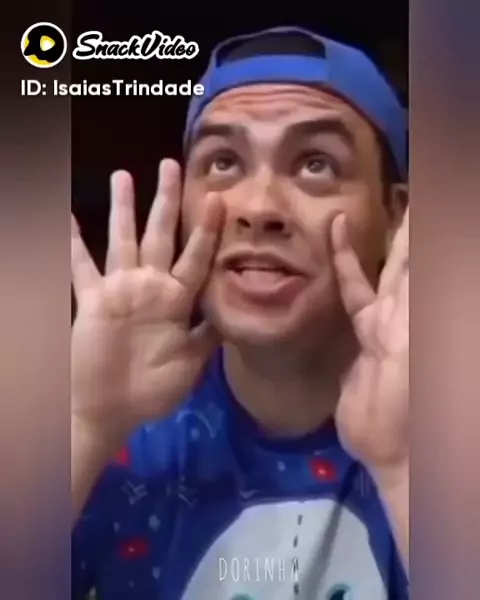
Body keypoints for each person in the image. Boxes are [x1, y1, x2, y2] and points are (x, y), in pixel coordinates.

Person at [71, 26, 409, 600]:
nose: (258, 208)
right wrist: (82, 425)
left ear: (395, 217)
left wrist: (406, 468)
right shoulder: (116, 432)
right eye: (224, 162)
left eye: (316, 164)